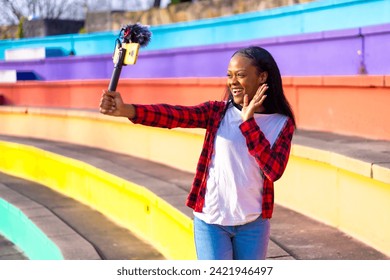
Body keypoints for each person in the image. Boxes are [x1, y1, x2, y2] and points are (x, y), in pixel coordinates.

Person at [99, 46, 296, 260]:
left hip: (253, 224)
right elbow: (175, 116)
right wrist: (127, 110)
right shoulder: (217, 113)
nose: (233, 82)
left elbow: (274, 171)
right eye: (229, 76)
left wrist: (248, 123)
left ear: (262, 77)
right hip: (211, 222)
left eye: (240, 75)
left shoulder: (281, 123)